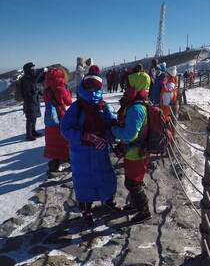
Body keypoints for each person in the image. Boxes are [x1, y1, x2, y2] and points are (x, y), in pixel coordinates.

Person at [61, 65, 119, 226]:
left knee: (105, 177)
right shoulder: (77, 107)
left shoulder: (103, 106)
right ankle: (86, 209)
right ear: (84, 86)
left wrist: (107, 136)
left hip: (99, 149)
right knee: (84, 181)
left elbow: (110, 125)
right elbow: (65, 129)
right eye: (89, 85)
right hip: (81, 152)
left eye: (96, 86)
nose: (92, 89)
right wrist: (84, 136)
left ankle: (107, 201)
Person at [112, 67, 152, 224]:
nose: (125, 89)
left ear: (136, 87)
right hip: (136, 151)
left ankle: (144, 211)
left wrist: (114, 130)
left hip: (136, 152)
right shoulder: (139, 103)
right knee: (134, 180)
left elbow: (129, 135)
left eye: (128, 86)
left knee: (132, 183)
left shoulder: (136, 108)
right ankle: (136, 205)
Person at [43, 68, 72, 173]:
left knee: (53, 141)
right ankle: (64, 161)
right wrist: (67, 90)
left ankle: (54, 162)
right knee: (62, 140)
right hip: (61, 117)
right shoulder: (61, 89)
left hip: (50, 119)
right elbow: (69, 102)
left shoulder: (47, 90)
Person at [21, 62, 44, 141]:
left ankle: (33, 131)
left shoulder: (30, 77)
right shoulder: (26, 78)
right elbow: (34, 81)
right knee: (30, 118)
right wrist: (42, 70)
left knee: (34, 116)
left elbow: (36, 84)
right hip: (29, 101)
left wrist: (40, 93)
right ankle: (28, 135)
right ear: (28, 70)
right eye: (32, 68)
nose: (33, 70)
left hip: (34, 100)